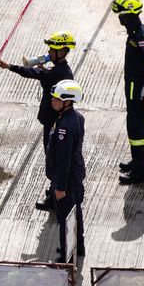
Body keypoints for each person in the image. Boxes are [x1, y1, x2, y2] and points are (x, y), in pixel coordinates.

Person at [0, 32, 77, 212]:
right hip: (51, 120)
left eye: (52, 49)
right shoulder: (59, 70)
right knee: (53, 159)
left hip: (53, 123)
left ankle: (56, 199)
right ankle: (54, 193)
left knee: (54, 160)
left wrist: (10, 67)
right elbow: (44, 74)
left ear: (62, 52)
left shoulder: (59, 73)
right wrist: (45, 71)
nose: (48, 51)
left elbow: (33, 73)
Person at [111, 0, 144, 188]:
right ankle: (140, 159)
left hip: (137, 87)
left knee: (136, 127)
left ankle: (140, 170)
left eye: (122, 15)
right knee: (140, 123)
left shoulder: (139, 35)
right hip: (136, 85)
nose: (120, 19)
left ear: (130, 16)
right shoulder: (135, 32)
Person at [45, 79, 86, 264]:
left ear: (67, 101)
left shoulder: (64, 127)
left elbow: (63, 158)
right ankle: (79, 247)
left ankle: (65, 257)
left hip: (66, 180)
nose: (52, 101)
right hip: (75, 176)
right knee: (75, 214)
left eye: (56, 99)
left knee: (65, 219)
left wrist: (60, 186)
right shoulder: (76, 118)